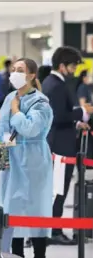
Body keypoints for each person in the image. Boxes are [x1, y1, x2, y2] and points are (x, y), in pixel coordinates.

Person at [0, 58, 54, 258]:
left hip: (33, 159)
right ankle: (16, 254)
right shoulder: (10, 97)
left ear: (31, 75)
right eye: (13, 69)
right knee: (12, 209)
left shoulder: (41, 103)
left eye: (20, 70)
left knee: (35, 208)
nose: (14, 73)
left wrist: (16, 111)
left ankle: (40, 253)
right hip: (11, 158)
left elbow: (30, 129)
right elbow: (3, 128)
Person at [42, 47, 93, 245]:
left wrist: (77, 121)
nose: (74, 70)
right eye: (72, 66)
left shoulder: (51, 82)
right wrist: (82, 112)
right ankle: (54, 231)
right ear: (62, 66)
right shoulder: (56, 86)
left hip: (58, 143)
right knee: (58, 191)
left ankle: (51, 230)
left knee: (56, 190)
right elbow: (57, 116)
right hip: (60, 147)